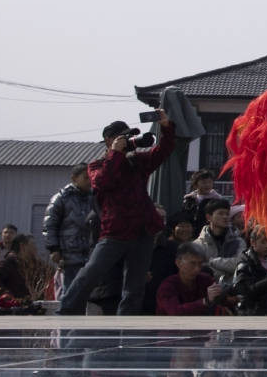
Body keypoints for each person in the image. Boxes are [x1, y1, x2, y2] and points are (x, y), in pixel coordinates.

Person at [57, 116, 177, 316]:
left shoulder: (137, 162)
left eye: (130, 137)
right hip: (114, 231)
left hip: (143, 230)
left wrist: (166, 126)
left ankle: (126, 325)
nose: (129, 140)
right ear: (109, 140)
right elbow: (104, 182)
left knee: (135, 285)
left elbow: (164, 150)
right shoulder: (96, 165)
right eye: (124, 138)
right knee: (91, 273)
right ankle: (66, 312)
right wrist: (115, 154)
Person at [41, 166, 99, 297]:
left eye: (91, 177)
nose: (89, 181)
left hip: (92, 253)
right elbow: (49, 224)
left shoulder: (95, 197)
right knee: (71, 291)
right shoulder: (61, 198)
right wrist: (53, 248)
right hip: (70, 253)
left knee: (91, 292)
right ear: (74, 179)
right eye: (85, 178)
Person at [155, 241, 236, 316]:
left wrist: (230, 299)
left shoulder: (205, 279)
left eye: (200, 264)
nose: (197, 269)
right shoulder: (167, 287)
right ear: (178, 263)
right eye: (192, 264)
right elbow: (176, 312)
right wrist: (205, 301)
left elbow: (220, 299)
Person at [192, 199, 247, 280]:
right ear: (209, 217)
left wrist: (211, 261)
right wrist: (227, 270)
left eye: (227, 214)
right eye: (220, 213)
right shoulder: (197, 245)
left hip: (233, 289)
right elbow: (199, 270)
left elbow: (241, 265)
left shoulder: (238, 241)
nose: (225, 217)